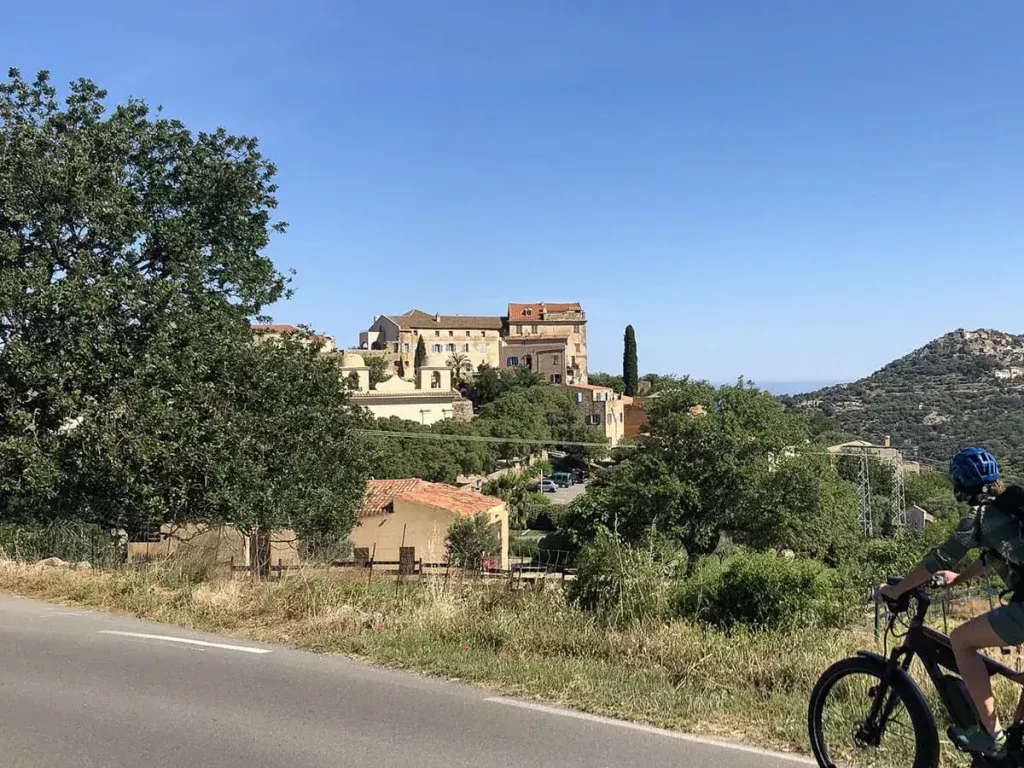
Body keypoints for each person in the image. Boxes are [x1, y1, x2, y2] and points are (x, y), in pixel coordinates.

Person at [880, 446, 1024, 757]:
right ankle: (1013, 747)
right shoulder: (1011, 511)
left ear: (960, 486)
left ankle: (992, 737)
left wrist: (897, 589)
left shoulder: (980, 517)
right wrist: (956, 580)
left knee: (961, 639)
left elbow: (939, 557)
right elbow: (994, 557)